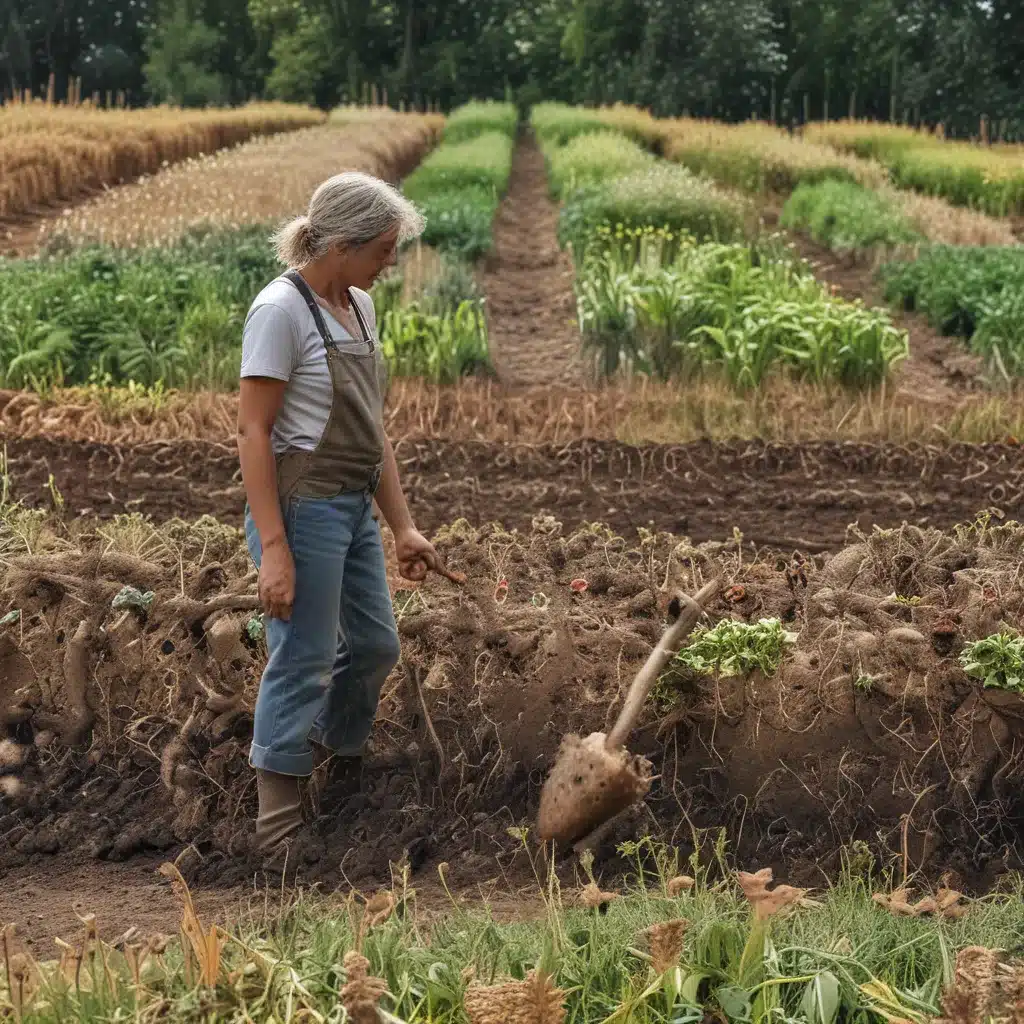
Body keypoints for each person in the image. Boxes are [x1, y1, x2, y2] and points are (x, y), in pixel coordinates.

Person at [237, 170, 439, 867]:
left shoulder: (358, 307)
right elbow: (254, 434)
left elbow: (369, 427)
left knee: (377, 646)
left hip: (351, 504)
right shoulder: (280, 311)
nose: (389, 264)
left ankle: (331, 766)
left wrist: (402, 524)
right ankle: (279, 830)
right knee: (303, 657)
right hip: (303, 507)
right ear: (344, 245)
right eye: (383, 250)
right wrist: (273, 548)